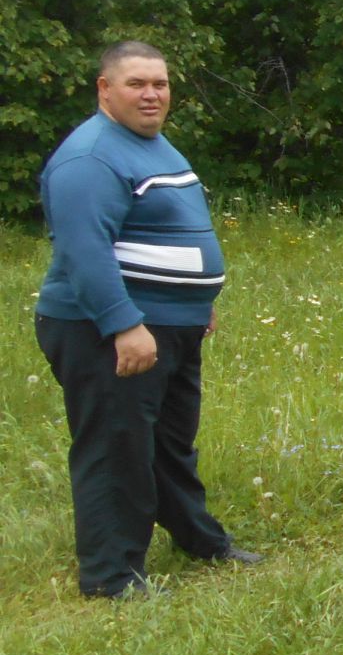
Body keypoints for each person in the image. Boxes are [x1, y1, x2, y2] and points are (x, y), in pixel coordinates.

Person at [34, 41, 263, 599]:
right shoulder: (90, 158)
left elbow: (169, 230)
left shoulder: (152, 146)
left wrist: (195, 301)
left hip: (170, 324)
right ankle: (112, 578)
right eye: (136, 83)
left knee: (169, 445)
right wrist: (121, 325)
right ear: (104, 89)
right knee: (117, 450)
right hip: (109, 330)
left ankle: (200, 540)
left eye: (159, 83)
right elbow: (84, 251)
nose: (152, 94)